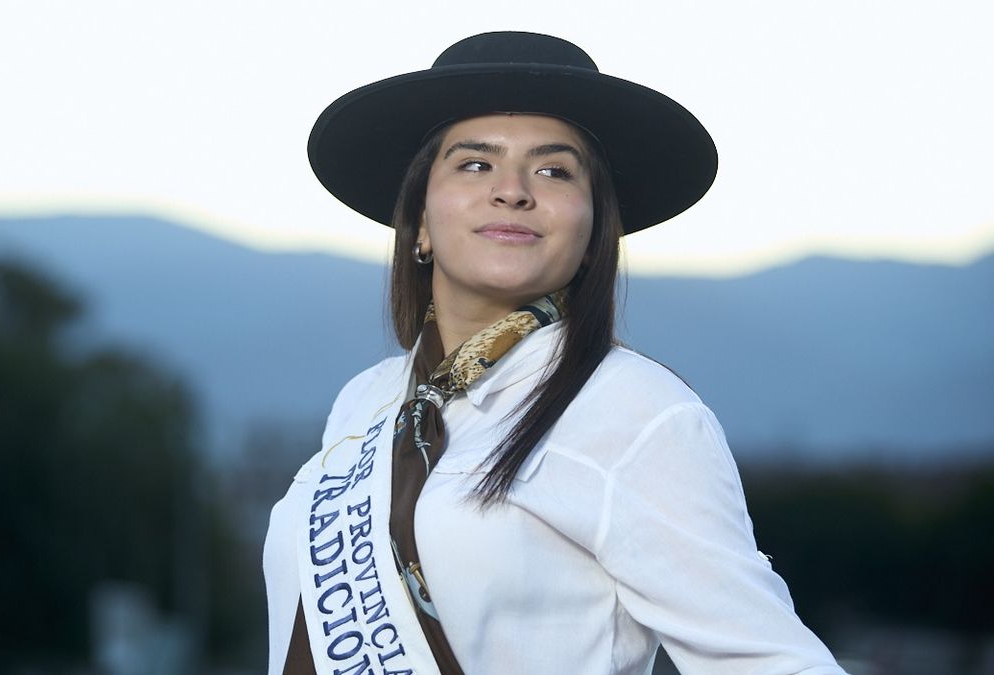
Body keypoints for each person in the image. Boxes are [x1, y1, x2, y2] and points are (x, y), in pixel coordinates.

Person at [264, 31, 848, 674]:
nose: (513, 190)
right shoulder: (367, 400)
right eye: (475, 163)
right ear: (421, 222)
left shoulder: (636, 412)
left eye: (553, 170)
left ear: (596, 230)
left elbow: (768, 660)